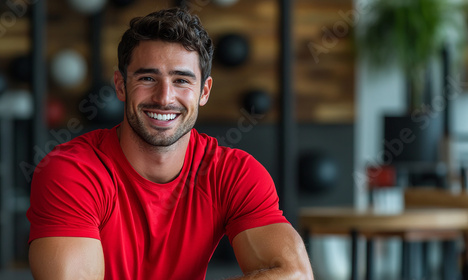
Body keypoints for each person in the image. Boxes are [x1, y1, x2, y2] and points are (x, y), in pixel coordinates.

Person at [27, 7, 313, 280]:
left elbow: (295, 274)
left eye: (181, 81)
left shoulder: (233, 173)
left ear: (204, 91)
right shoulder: (72, 171)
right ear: (120, 85)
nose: (164, 97)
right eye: (148, 78)